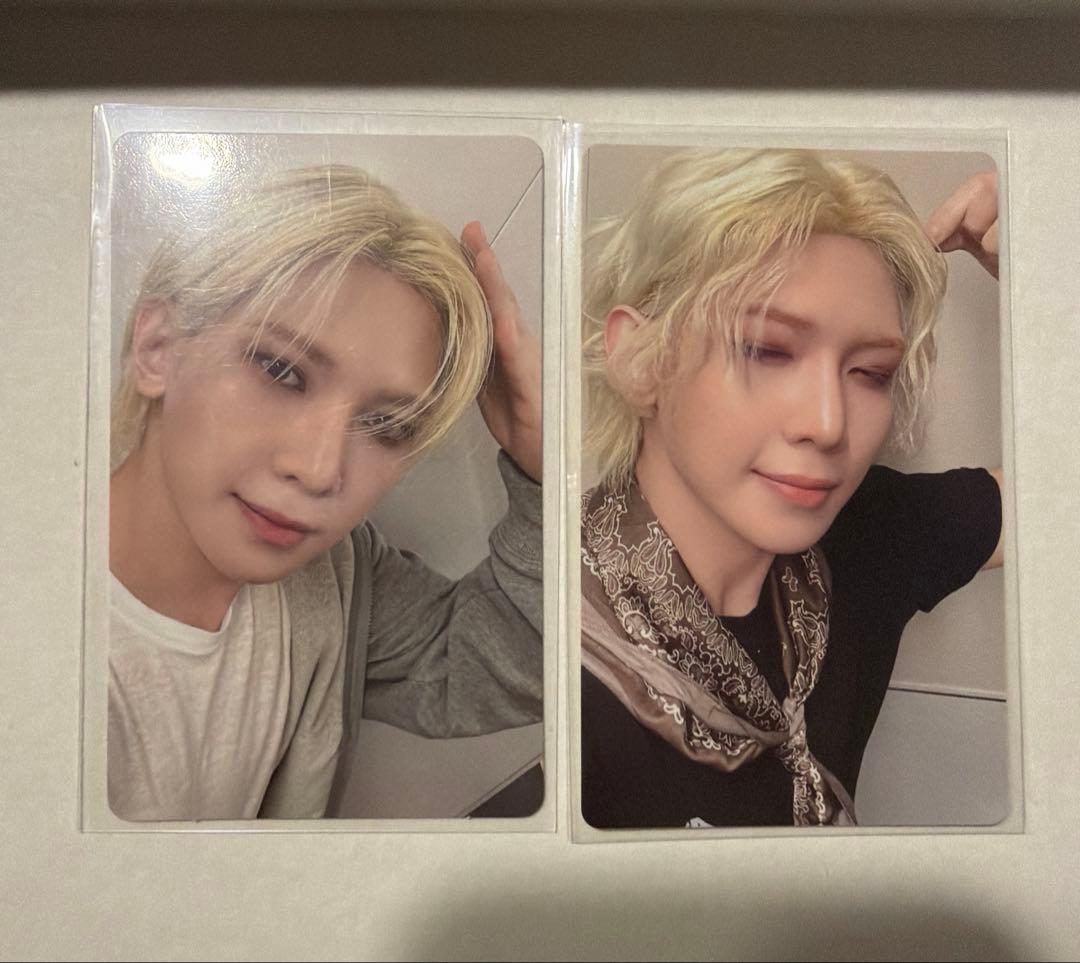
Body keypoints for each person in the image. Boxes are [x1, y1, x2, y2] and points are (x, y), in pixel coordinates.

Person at [579, 148, 1003, 828]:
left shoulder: (867, 533)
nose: (828, 424)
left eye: (870, 373)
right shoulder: (548, 652)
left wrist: (1054, 283)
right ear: (640, 360)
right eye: (767, 349)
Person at [107, 164, 543, 821]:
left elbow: (510, 666)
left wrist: (542, 462)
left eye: (386, 425)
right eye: (279, 369)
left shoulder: (335, 578)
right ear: (158, 347)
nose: (317, 470)